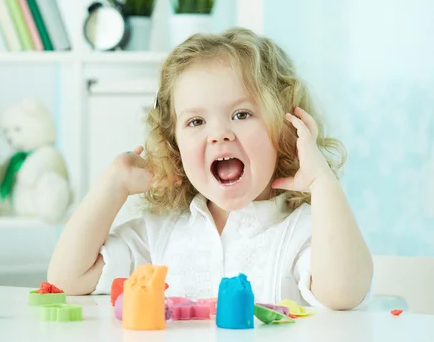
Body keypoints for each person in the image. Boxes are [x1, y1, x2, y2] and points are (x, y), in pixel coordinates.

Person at [47, 27, 373, 310]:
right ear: (174, 144)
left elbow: (343, 292)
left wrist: (321, 181)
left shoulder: (301, 231)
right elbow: (67, 278)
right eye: (196, 121)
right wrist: (113, 184)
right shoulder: (161, 233)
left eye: (242, 114)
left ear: (286, 129)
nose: (219, 134)